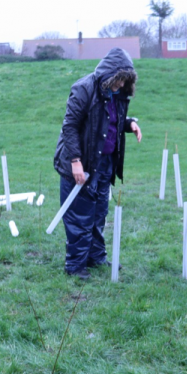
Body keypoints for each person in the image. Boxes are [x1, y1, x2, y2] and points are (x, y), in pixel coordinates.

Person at [53, 47, 142, 279]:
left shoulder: (119, 94)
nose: (122, 85)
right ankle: (75, 266)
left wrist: (129, 124)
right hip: (81, 163)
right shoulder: (83, 89)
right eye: (120, 80)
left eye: (126, 81)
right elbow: (70, 127)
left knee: (99, 213)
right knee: (79, 216)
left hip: (105, 163)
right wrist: (75, 162)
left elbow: (109, 122)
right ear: (111, 75)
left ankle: (96, 257)